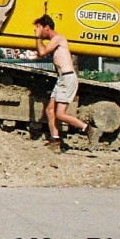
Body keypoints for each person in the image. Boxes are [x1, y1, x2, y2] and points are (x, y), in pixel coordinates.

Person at [30, 14, 91, 151]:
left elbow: (42, 52)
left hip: (67, 78)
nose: (38, 31)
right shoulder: (55, 40)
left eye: (39, 28)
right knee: (50, 111)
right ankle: (55, 140)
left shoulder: (58, 38)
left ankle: (87, 129)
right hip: (62, 78)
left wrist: (38, 37)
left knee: (60, 114)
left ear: (47, 27)